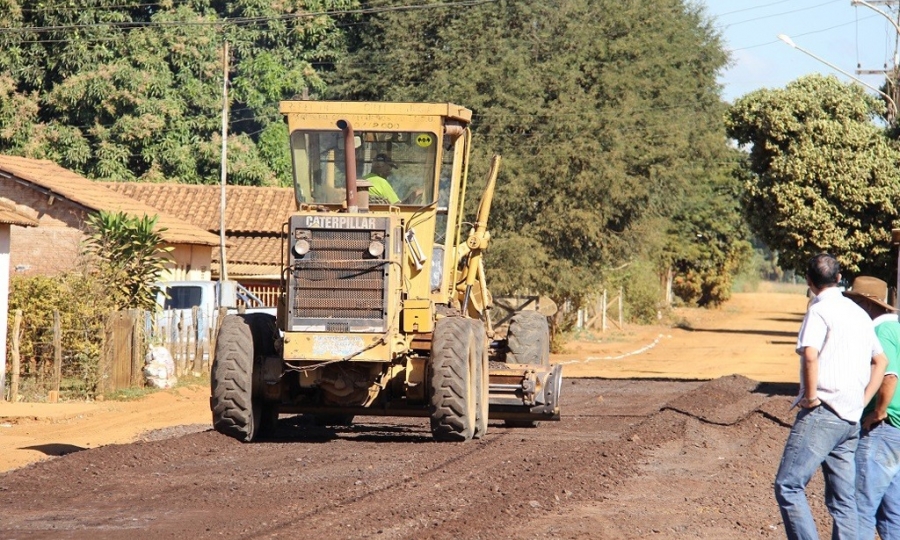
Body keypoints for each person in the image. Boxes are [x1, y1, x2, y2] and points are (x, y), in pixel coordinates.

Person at [774, 254, 887, 540]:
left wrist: (811, 398)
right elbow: (881, 361)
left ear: (809, 282)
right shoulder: (859, 313)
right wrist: (862, 400)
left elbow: (810, 355)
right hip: (850, 417)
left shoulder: (819, 310)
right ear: (839, 279)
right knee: (843, 499)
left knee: (788, 486)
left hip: (824, 411)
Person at [848, 276, 900, 540]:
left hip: (884, 428)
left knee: (860, 508)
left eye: (854, 302)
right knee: (892, 513)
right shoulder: (897, 328)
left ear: (866, 304)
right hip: (897, 433)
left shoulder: (879, 331)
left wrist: (878, 412)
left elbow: (890, 376)